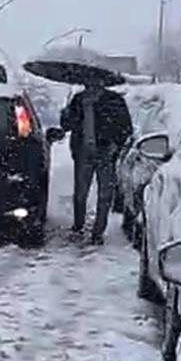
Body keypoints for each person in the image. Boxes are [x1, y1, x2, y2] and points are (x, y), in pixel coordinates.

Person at [60, 81, 133, 244]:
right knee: (80, 192)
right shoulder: (78, 100)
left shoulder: (113, 101)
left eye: (93, 84)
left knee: (105, 194)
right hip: (83, 152)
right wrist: (66, 113)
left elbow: (126, 127)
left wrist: (115, 143)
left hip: (105, 151)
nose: (90, 88)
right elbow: (67, 125)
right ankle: (78, 226)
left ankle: (98, 232)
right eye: (87, 85)